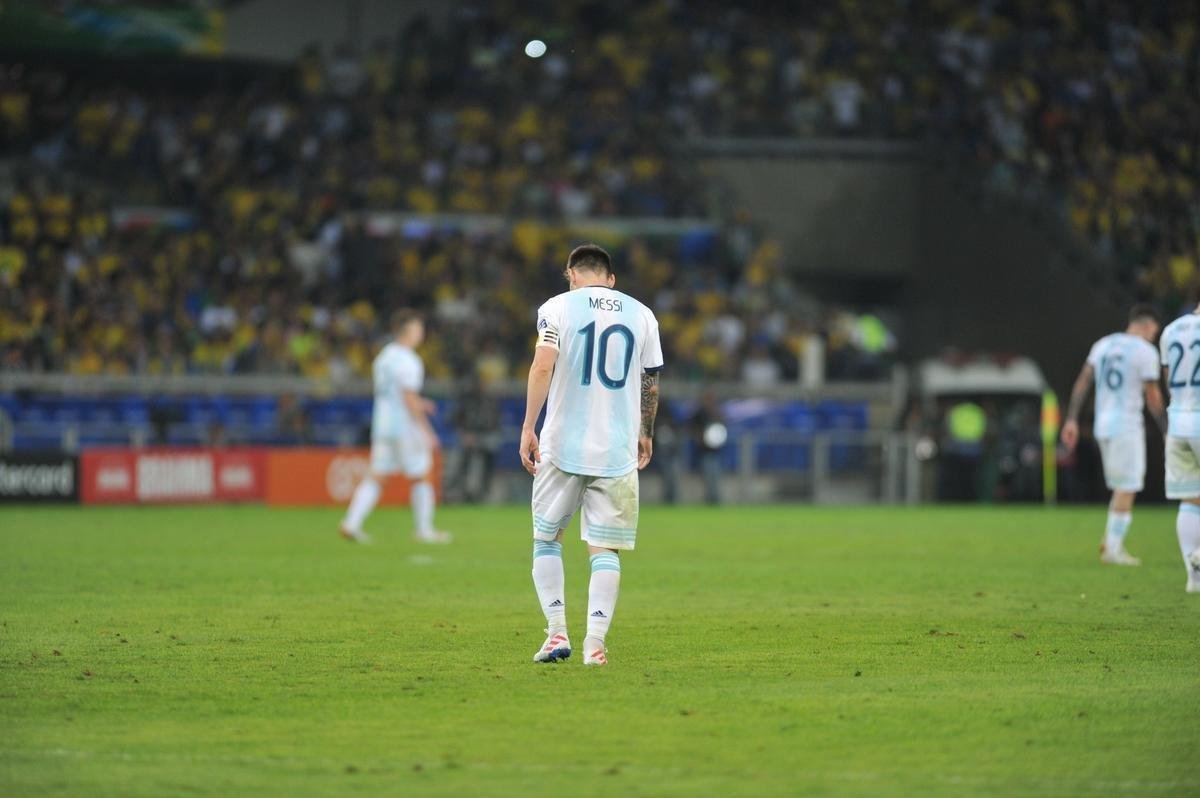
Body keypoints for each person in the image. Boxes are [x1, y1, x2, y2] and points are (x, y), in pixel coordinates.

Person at [519, 244, 663, 666]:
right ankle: (594, 645)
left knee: (547, 539)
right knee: (604, 550)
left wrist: (528, 426)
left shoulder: (556, 307)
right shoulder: (643, 314)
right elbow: (650, 381)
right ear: (611, 279)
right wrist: (646, 432)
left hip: (563, 445)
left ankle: (556, 633)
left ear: (571, 274)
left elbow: (542, 365)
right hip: (617, 449)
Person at [1061, 304, 1164, 565]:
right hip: (1126, 424)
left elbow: (1083, 381)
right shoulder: (1145, 351)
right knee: (1128, 486)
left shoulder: (1103, 344)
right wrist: (1166, 428)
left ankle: (1110, 542)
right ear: (1147, 326)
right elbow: (1152, 395)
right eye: (1154, 332)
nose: (1153, 337)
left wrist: (1072, 419)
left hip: (1103, 425)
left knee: (1122, 485)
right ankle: (1113, 549)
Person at [340, 309, 450, 545]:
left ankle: (351, 523)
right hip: (404, 425)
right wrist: (427, 431)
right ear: (409, 330)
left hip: (382, 424)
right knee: (422, 475)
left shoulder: (384, 357)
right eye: (419, 329)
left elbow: (392, 393)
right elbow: (408, 397)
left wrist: (421, 402)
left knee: (377, 476)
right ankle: (424, 530)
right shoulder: (409, 360)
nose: (421, 334)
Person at [1157, 304, 1200, 592]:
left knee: (1191, 498)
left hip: (1178, 420)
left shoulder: (1170, 330)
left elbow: (1166, 377)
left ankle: (1194, 579)